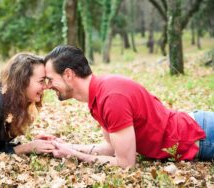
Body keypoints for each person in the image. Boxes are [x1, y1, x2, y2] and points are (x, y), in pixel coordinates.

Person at [43, 45, 214, 169]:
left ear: (68, 74)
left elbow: (126, 163)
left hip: (204, 135)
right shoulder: (99, 94)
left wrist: (73, 155)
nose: (48, 86)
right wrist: (69, 146)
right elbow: (111, 147)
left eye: (50, 79)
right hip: (199, 129)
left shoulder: (111, 98)